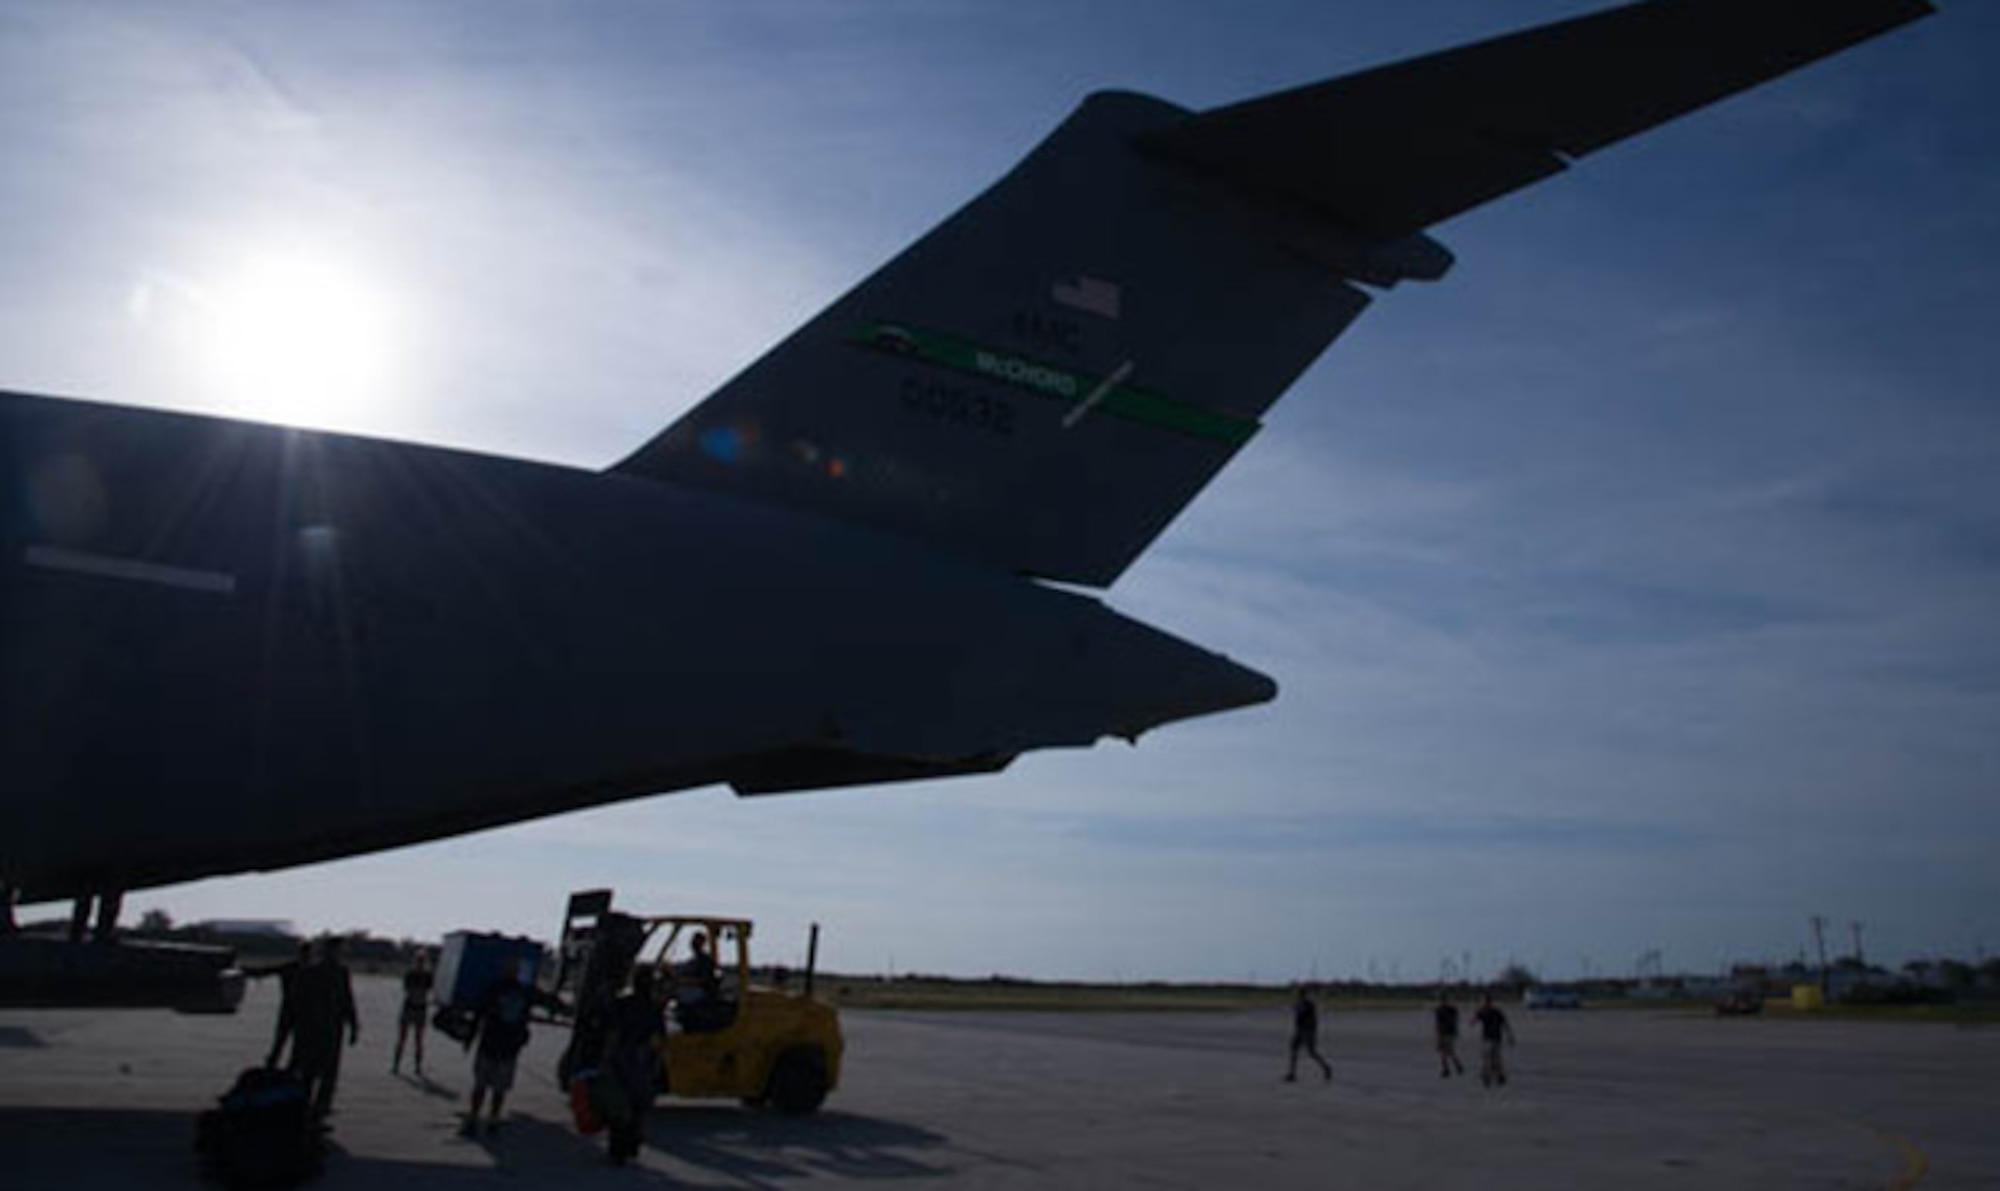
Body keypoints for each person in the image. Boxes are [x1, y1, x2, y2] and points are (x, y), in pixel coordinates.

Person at [272, 936, 359, 1121]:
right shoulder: (313, 972)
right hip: (318, 1029)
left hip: (327, 1029)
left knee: (322, 1072)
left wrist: (353, 1024)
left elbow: (347, 1000)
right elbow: (297, 1002)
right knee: (314, 1072)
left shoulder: (339, 972)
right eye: (338, 949)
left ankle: (316, 1108)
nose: (340, 953)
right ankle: (311, 1108)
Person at [600, 967, 668, 1166]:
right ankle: (630, 1145)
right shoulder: (653, 1008)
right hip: (641, 1059)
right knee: (638, 1106)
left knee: (620, 1104)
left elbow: (612, 1032)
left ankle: (617, 1148)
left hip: (623, 1057)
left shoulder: (623, 1004)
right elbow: (658, 1038)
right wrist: (655, 1061)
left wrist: (607, 1057)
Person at [463, 959, 537, 1136]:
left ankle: (490, 1120)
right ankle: (477, 1118)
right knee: (484, 1086)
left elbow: (525, 1018)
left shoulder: (521, 992)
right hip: (494, 1044)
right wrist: (470, 1037)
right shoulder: (497, 989)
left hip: (504, 1047)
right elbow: (479, 1014)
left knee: (497, 1088)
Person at [393, 950, 435, 1075]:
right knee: (402, 1037)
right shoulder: (410, 974)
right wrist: (418, 994)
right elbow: (407, 989)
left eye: (422, 960)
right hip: (410, 1006)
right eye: (418, 960)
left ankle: (417, 1066)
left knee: (419, 1039)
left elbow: (428, 990)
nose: (420, 963)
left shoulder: (428, 976)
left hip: (420, 1008)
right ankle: (396, 1064)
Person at [1284, 984, 1332, 1082]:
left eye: (1298, 993)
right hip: (1300, 1030)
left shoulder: (1308, 1004)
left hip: (1307, 1031)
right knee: (1294, 1049)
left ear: (1302, 994)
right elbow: (1298, 1013)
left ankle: (1326, 1067)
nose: (1297, 995)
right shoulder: (1300, 1003)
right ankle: (1292, 1073)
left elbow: (1311, 1019)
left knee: (1311, 1052)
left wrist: (1308, 1031)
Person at [1473, 992, 1516, 1088]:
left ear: (1489, 1002)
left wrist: (1510, 1036)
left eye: (1485, 1001)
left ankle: (1496, 1076)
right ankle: (1489, 1076)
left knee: (1494, 1059)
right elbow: (1473, 1021)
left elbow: (1505, 1024)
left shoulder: (1495, 1012)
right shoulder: (1483, 1011)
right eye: (1483, 1001)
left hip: (1495, 1038)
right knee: (1488, 1059)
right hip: (1488, 1038)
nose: (1484, 1003)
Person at [1433, 991, 1464, 1078]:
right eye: (1441, 1000)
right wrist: (1437, 1034)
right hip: (1442, 1033)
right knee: (1447, 1052)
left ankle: (1447, 1069)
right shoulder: (1438, 1010)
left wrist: (1455, 1031)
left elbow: (1455, 1020)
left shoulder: (1452, 1010)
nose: (1442, 1001)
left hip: (1449, 1033)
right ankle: (1455, 1067)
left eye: (1443, 999)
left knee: (1447, 1052)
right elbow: (1438, 1023)